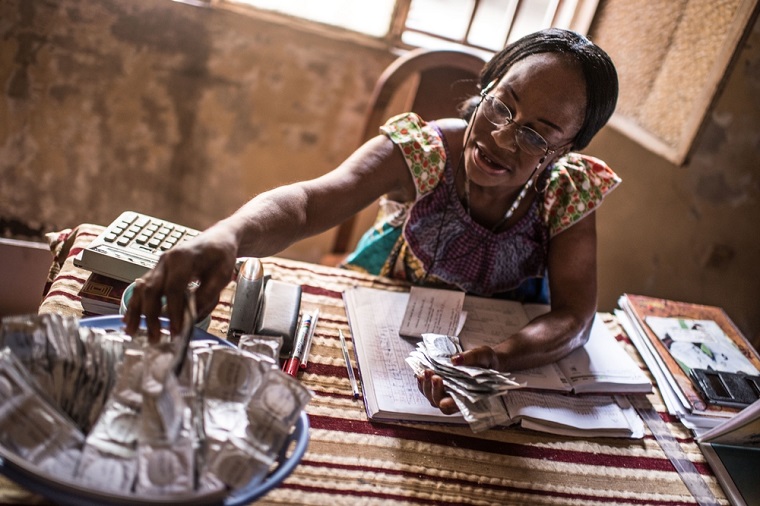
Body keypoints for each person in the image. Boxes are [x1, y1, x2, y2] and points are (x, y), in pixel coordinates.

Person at [125, 28, 620, 416]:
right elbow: (307, 204)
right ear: (488, 83)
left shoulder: (567, 192)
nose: (501, 137)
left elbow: (574, 317)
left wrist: (494, 359)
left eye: (537, 135)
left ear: (567, 150)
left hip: (493, 352)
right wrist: (226, 237)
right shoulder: (427, 151)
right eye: (501, 104)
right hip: (388, 334)